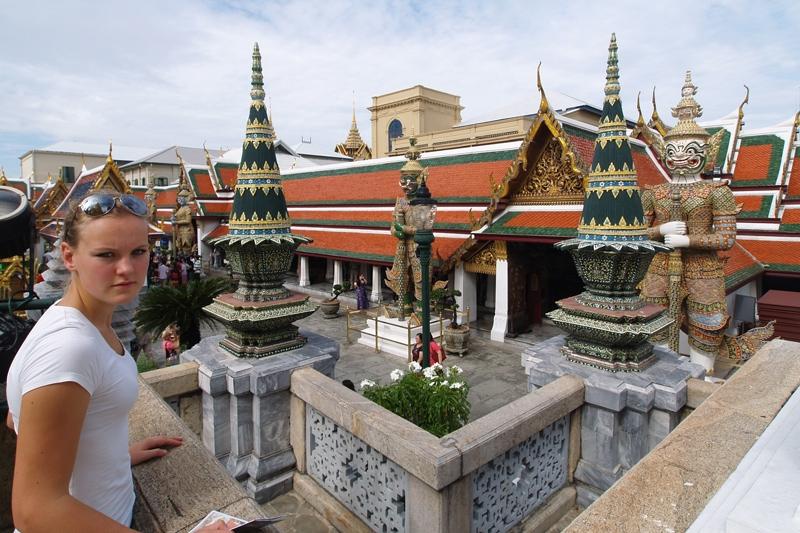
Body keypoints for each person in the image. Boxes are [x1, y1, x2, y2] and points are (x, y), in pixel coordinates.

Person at [5, 192, 234, 532]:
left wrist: (115, 456)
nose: (127, 269)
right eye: (106, 255)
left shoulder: (84, 320)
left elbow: (16, 419)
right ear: (69, 256)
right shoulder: (68, 347)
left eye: (138, 252)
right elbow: (34, 511)